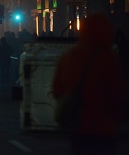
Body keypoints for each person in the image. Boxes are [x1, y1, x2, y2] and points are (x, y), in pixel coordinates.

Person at [53, 13, 128, 155]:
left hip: (78, 123)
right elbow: (119, 91)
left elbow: (58, 88)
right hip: (105, 125)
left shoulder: (70, 56)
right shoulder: (109, 59)